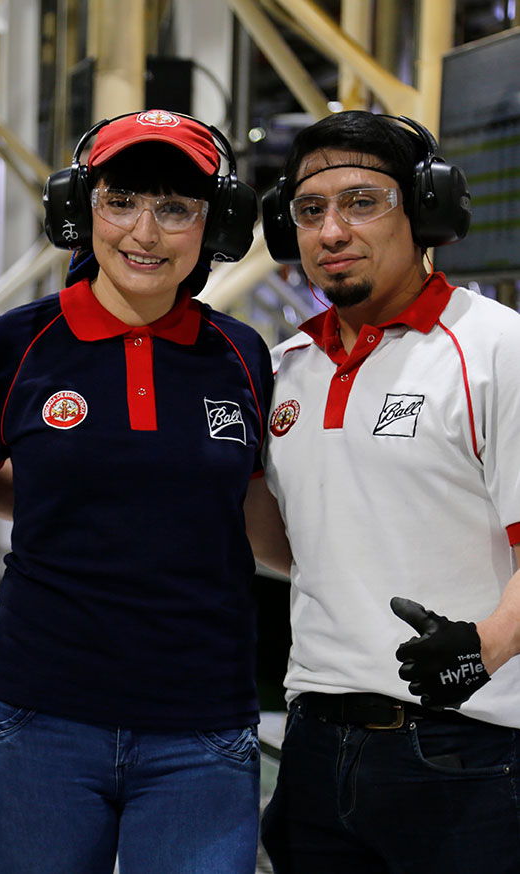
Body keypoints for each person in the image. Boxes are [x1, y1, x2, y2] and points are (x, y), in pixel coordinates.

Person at [0, 108, 288, 873]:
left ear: (214, 223)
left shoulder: (240, 355)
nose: (145, 231)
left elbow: (253, 520)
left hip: (200, 728)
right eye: (122, 200)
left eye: (175, 208)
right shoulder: (16, 343)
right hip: (38, 720)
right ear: (81, 208)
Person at [257, 109, 520, 873]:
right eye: (310, 211)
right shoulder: (286, 367)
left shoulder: (493, 350)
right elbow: (294, 542)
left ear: (425, 209)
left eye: (362, 202)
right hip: (311, 745)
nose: (331, 230)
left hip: (463, 749)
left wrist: (482, 647)